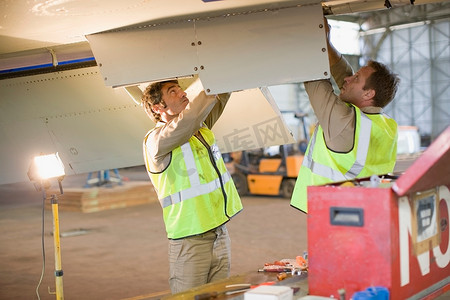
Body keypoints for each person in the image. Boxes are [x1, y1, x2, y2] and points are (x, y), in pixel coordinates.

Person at [141, 79, 243, 294]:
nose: (182, 93)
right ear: (159, 108)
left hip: (219, 233)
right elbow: (190, 119)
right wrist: (208, 92)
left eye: (179, 88)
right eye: (173, 92)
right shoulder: (156, 141)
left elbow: (220, 96)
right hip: (190, 240)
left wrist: (221, 72)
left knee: (219, 296)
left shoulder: (199, 130)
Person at [291, 19, 400, 213]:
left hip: (332, 215)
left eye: (356, 78)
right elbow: (346, 77)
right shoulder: (385, 125)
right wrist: (326, 43)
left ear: (369, 94)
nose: (348, 79)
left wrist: (308, 36)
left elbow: (313, 79)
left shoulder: (344, 123)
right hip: (364, 210)